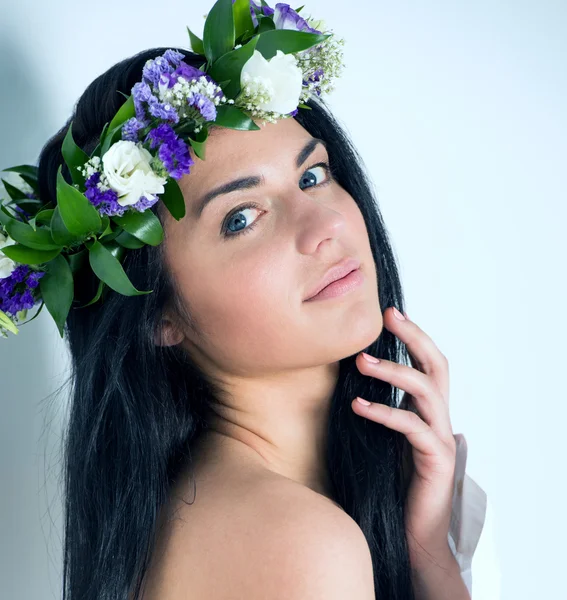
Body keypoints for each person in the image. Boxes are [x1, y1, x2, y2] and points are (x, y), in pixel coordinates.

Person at [0, 1, 494, 598]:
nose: (324, 228)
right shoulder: (297, 543)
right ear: (158, 313)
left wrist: (428, 553)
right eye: (242, 217)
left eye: (312, 176)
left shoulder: (215, 511)